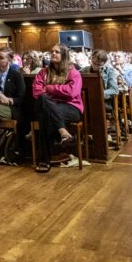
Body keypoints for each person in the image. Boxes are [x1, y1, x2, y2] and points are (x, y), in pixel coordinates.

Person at [31, 43, 83, 173]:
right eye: (52, 51)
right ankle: (62, 131)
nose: (53, 54)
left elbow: (71, 92)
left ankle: (44, 161)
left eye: (57, 52)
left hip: (70, 107)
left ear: (64, 55)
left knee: (45, 115)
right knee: (43, 101)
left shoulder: (73, 73)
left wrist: (49, 88)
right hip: (48, 105)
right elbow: (37, 93)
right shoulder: (43, 73)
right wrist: (58, 92)